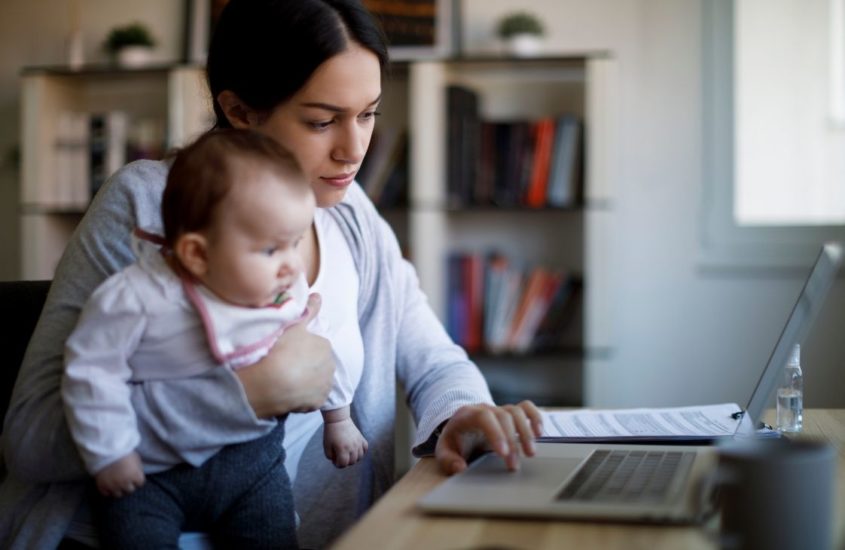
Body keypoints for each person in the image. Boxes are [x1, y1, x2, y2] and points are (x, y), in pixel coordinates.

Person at [0, 1, 543, 548]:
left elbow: (435, 361)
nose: (354, 149)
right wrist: (248, 394)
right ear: (240, 111)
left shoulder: (352, 215)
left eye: (369, 113)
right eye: (321, 120)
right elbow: (30, 437)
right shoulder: (147, 204)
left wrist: (463, 413)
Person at [62, 128, 367, 548]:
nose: (291, 265)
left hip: (253, 468)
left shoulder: (281, 288)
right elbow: (92, 372)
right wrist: (110, 452)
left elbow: (316, 350)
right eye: (270, 249)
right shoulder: (136, 297)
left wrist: (339, 418)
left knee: (273, 535)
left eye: (295, 243)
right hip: (150, 473)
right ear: (197, 254)